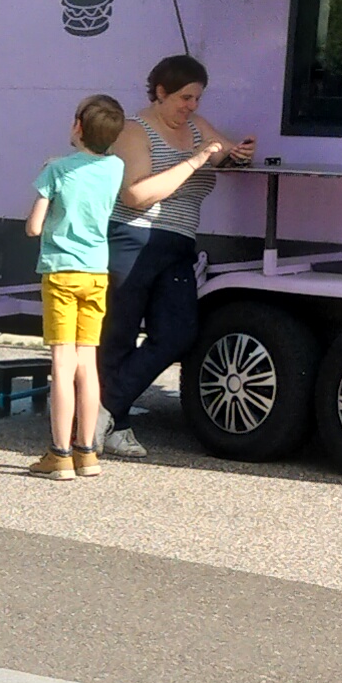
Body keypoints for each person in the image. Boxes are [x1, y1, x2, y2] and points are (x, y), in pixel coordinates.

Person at [100, 55, 253, 452]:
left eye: (197, 99)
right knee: (118, 336)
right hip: (133, 239)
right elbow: (135, 194)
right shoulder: (135, 130)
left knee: (178, 333)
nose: (191, 107)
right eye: (184, 98)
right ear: (161, 92)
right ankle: (115, 426)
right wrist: (197, 160)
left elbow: (222, 151)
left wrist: (239, 153)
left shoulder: (196, 127)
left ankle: (103, 409)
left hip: (178, 241)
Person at [21, 96, 127, 476]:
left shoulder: (57, 170)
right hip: (97, 272)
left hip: (61, 273)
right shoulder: (116, 167)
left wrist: (46, 182)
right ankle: (88, 451)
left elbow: (33, 227)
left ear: (78, 127)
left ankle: (59, 452)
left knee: (62, 364)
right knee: (88, 363)